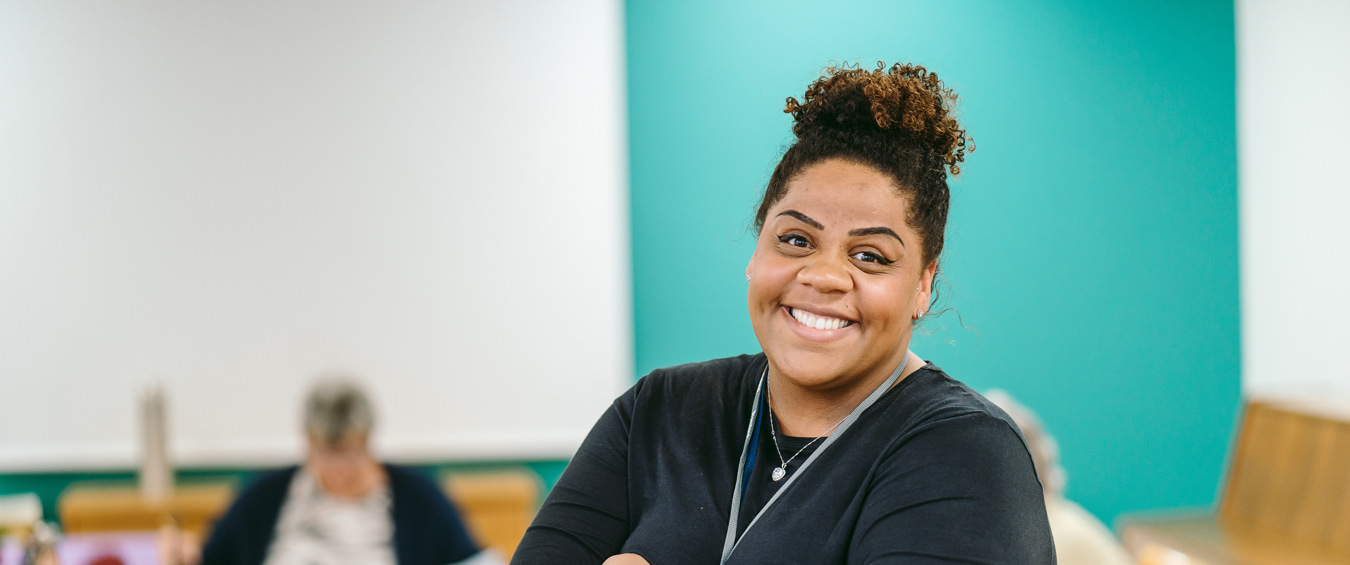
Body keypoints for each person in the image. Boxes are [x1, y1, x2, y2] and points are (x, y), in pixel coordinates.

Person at [511, 62, 1056, 564]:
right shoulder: (655, 414)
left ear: (922, 285)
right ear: (756, 253)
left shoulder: (966, 453)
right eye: (796, 239)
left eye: (870, 256)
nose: (823, 275)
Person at [200, 377, 496, 565]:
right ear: (307, 441)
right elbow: (211, 557)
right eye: (325, 454)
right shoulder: (263, 496)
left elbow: (474, 560)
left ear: (368, 440)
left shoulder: (419, 498)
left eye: (350, 453)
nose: (338, 468)